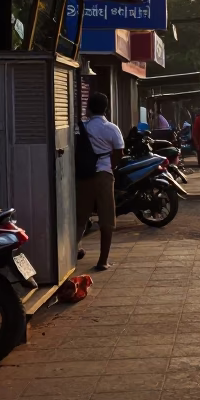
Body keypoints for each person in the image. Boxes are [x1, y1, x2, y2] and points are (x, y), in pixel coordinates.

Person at [75, 92, 124, 271]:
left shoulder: (81, 127)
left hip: (83, 177)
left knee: (80, 217)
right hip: (103, 175)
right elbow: (119, 153)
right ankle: (102, 261)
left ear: (88, 107)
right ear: (107, 108)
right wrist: (110, 166)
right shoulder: (111, 128)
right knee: (106, 218)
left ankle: (72, 254)